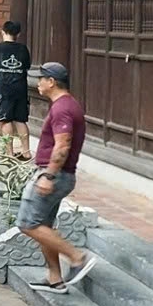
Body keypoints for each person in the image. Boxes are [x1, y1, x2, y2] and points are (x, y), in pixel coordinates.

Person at [18, 62, 97, 293]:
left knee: (28, 223)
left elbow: (63, 145)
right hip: (58, 174)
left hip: (53, 174)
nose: (38, 83)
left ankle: (76, 257)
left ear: (51, 82)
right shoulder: (65, 105)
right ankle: (55, 278)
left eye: (41, 79)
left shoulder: (63, 108)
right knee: (43, 225)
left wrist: (48, 176)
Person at [0, 21, 32, 159]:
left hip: (3, 89)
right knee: (20, 120)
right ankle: (26, 152)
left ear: (3, 32)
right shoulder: (23, 49)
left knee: (6, 120)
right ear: (18, 34)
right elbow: (27, 66)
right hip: (21, 89)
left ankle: (9, 154)